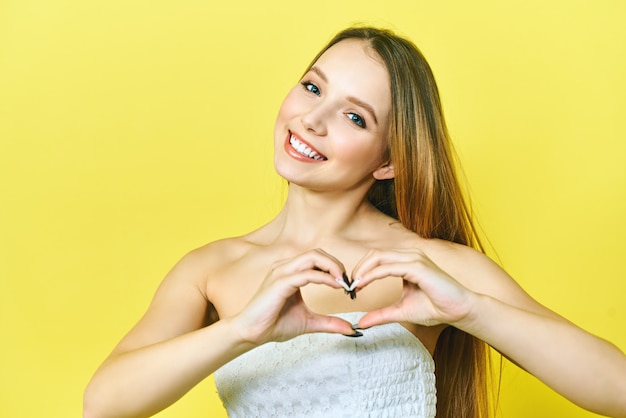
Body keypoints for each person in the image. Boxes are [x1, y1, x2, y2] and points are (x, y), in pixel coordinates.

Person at [83, 27, 626, 418]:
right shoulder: (211, 269)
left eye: (354, 116)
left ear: (387, 160)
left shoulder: (430, 265)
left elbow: (616, 389)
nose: (311, 120)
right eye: (312, 87)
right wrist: (241, 332)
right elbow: (103, 405)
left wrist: (470, 311)